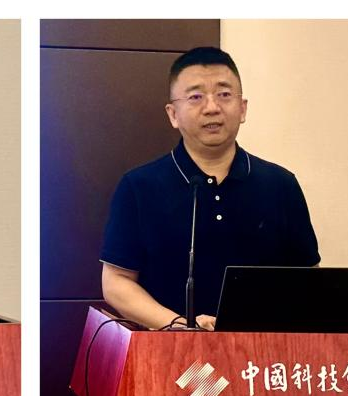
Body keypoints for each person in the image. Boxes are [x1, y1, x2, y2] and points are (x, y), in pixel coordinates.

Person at [100, 47, 320, 331]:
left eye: (224, 94)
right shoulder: (139, 186)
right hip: (169, 349)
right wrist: (181, 327)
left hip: (260, 351)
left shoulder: (281, 185)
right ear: (173, 114)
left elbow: (308, 280)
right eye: (196, 97)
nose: (212, 107)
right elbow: (116, 282)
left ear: (242, 108)